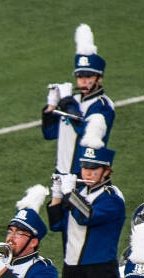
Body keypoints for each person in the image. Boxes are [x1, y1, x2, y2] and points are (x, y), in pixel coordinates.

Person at [49, 119, 126, 278]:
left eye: (94, 169)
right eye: (84, 168)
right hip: (71, 270)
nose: (87, 173)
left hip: (98, 272)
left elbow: (86, 216)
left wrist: (69, 194)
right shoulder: (80, 194)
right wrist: (57, 195)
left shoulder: (112, 198)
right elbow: (56, 224)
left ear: (106, 171)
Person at [43, 26, 115, 177]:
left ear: (99, 78)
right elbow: (50, 134)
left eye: (88, 77)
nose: (83, 81)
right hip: (61, 174)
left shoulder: (103, 105)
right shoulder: (73, 100)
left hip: (84, 176)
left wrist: (67, 103)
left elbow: (86, 134)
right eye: (80, 76)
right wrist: (51, 106)